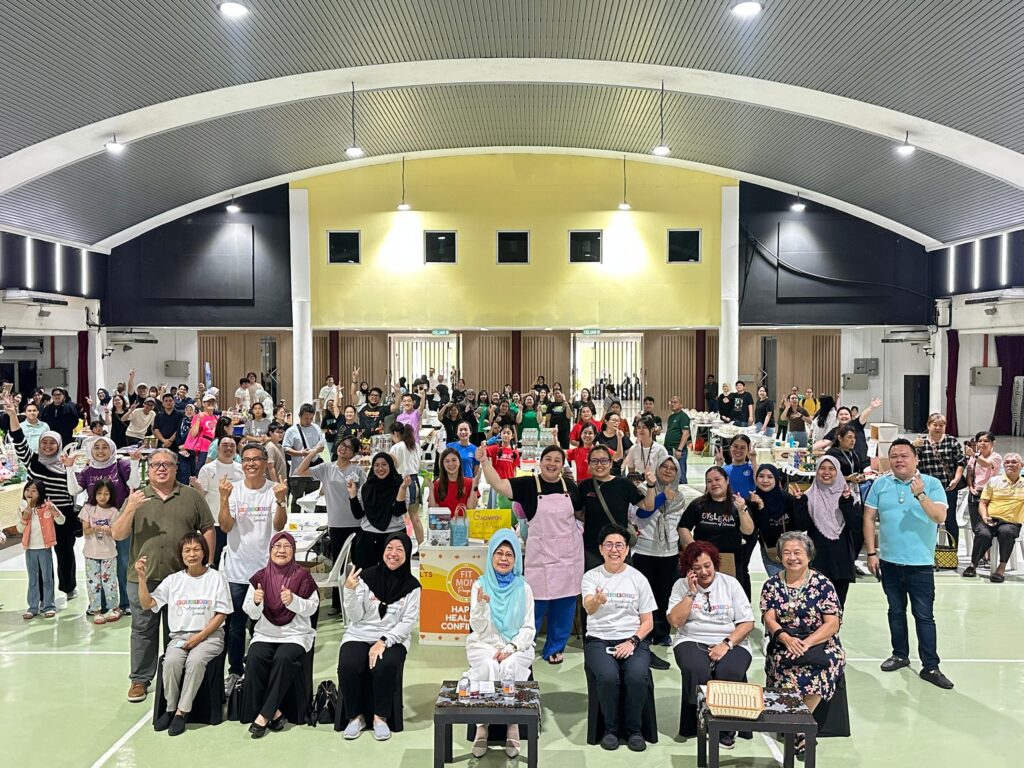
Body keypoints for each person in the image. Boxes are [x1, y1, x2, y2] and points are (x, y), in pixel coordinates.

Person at [113, 448, 216, 703]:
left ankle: (177, 677)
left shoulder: (191, 496)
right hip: (143, 579)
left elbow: (207, 528)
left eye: (167, 464)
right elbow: (118, 534)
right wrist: (130, 508)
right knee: (142, 629)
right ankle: (139, 679)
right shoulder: (136, 498)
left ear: (175, 468)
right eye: (156, 464)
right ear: (148, 469)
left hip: (182, 579)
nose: (161, 468)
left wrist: (207, 563)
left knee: (179, 630)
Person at [479, 444, 583, 664]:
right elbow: (498, 484)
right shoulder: (527, 484)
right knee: (532, 606)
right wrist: (485, 462)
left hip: (568, 558)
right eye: (548, 459)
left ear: (562, 465)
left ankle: (555, 648)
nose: (552, 464)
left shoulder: (571, 487)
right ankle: (523, 645)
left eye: (557, 460)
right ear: (540, 462)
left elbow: (581, 515)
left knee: (564, 606)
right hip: (540, 558)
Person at [864, 439, 953, 689]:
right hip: (889, 562)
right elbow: (869, 518)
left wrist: (920, 494)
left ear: (916, 459)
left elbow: (939, 516)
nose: (899, 460)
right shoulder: (880, 484)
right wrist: (871, 553)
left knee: (924, 616)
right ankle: (900, 654)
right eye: (894, 456)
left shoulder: (931, 484)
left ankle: (931, 666)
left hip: (920, 565)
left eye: (904, 455)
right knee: (895, 611)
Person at [134, 535, 232, 737]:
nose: (192, 554)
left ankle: (182, 712)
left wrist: (199, 637)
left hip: (210, 636)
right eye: (187, 550)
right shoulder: (173, 580)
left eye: (196, 549)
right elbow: (148, 603)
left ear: (204, 552)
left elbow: (222, 614)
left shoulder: (216, 578)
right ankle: (170, 708)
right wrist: (142, 578)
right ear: (181, 555)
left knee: (195, 661)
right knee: (171, 662)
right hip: (179, 636)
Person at [760, 531, 846, 758]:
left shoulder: (823, 584)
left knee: (825, 667)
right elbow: (769, 618)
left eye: (797, 552)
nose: (792, 558)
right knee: (784, 667)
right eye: (787, 553)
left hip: (818, 641)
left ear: (809, 555)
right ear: (780, 557)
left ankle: (798, 729)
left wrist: (807, 643)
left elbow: (832, 623)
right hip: (785, 641)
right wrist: (785, 638)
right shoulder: (772, 585)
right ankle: (803, 732)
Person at [336, 533, 420, 742]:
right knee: (348, 663)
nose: (393, 554)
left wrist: (383, 641)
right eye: (389, 548)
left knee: (385, 664)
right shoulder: (366, 577)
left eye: (400, 549)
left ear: (408, 554)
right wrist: (349, 591)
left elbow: (408, 622)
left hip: (393, 637)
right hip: (359, 632)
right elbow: (356, 617)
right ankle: (355, 717)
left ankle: (380, 717)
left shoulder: (412, 586)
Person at [669, 541, 754, 746]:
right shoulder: (681, 585)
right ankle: (699, 721)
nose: (704, 572)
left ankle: (726, 728)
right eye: (697, 568)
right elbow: (675, 622)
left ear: (715, 563)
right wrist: (691, 593)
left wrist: (726, 644)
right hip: (692, 638)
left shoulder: (731, 584)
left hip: (731, 639)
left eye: (707, 565)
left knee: (730, 670)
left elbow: (747, 623)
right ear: (689, 570)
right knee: (696, 668)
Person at [581, 525, 656, 752]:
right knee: (607, 676)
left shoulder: (638, 578)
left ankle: (634, 730)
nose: (614, 550)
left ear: (627, 550)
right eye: (609, 545)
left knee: (637, 675)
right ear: (601, 549)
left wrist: (632, 641)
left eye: (619, 545)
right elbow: (588, 608)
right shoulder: (591, 576)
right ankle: (610, 729)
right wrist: (597, 600)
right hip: (598, 639)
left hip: (633, 639)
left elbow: (648, 622)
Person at [218, 444, 288, 684]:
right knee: (235, 625)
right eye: (246, 459)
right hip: (237, 570)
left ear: (265, 462)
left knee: (264, 623)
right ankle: (235, 671)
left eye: (256, 459)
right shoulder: (234, 490)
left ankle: (261, 669)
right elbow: (225, 526)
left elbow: (279, 526)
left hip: (266, 570)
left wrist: (281, 501)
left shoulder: (274, 489)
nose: (251, 464)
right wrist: (223, 499)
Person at [242, 532, 320, 738]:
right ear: (270, 550)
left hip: (295, 634)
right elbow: (251, 613)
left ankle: (264, 715)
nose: (281, 550)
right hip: (265, 634)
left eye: (287, 546)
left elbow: (312, 608)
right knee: (255, 657)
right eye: (277, 546)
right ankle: (275, 713)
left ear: (293, 551)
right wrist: (256, 601)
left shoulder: (303, 577)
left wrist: (294, 601)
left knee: (284, 658)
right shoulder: (260, 578)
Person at [466, 530, 535, 759]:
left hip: (516, 646)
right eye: (499, 553)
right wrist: (480, 606)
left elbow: (528, 628)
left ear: (516, 559)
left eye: (509, 554)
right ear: (491, 556)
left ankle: (512, 724)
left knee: (509, 666)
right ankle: (482, 726)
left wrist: (510, 648)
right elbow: (477, 627)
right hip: (484, 643)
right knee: (488, 665)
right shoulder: (480, 585)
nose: (503, 559)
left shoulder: (524, 588)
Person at [4, 397, 78, 603]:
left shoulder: (66, 464)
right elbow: (19, 440)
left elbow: (74, 489)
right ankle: (44, 596)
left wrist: (70, 468)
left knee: (65, 553)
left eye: (52, 443)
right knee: (40, 556)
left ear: (59, 444)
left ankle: (69, 587)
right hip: (39, 515)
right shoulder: (33, 461)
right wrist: (13, 414)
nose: (47, 446)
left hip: (62, 513)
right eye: (44, 442)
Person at [66, 436, 141, 616]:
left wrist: (135, 463)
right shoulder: (88, 470)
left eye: (105, 447)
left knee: (123, 563)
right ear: (91, 450)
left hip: (120, 521)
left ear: (112, 449)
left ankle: (124, 602)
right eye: (97, 447)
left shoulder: (121, 465)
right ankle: (100, 604)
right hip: (97, 526)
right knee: (97, 567)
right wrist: (69, 467)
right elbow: (73, 490)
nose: (100, 450)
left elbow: (134, 485)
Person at [296, 434, 365, 614]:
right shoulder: (326, 468)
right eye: (342, 444)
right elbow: (300, 471)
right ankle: (337, 603)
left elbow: (365, 494)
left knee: (358, 563)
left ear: (354, 453)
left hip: (357, 522)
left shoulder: (358, 471)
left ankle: (359, 601)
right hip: (336, 524)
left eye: (348, 447)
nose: (343, 448)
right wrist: (314, 452)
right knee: (338, 564)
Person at [634, 457, 699, 647]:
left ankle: (662, 632)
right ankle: (645, 632)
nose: (668, 470)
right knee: (645, 595)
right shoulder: (644, 489)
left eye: (672, 468)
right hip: (644, 551)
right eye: (664, 466)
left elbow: (680, 525)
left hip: (668, 552)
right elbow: (642, 513)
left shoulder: (679, 496)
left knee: (665, 595)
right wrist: (662, 496)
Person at [789, 456, 860, 607]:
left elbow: (855, 525)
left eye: (831, 469)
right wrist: (800, 503)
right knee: (815, 608)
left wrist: (846, 503)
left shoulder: (848, 496)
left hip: (842, 560)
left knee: (837, 607)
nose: (826, 472)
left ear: (838, 472)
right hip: (818, 559)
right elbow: (802, 525)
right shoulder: (809, 496)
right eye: (822, 468)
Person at [678, 467, 755, 597]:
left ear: (727, 480)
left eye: (717, 479)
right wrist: (694, 547)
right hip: (703, 561)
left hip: (730, 560)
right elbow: (683, 527)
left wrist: (742, 510)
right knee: (703, 598)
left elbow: (748, 531)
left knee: (730, 598)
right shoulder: (698, 504)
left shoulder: (737, 504)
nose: (714, 483)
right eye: (709, 481)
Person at [579, 445, 656, 568]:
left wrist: (651, 485)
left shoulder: (624, 484)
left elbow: (648, 506)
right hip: (593, 549)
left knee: (622, 579)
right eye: (594, 461)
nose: (599, 465)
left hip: (619, 547)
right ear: (589, 464)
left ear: (610, 463)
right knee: (594, 579)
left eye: (604, 460)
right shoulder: (584, 486)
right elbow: (578, 513)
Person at [964, 452, 1024, 582]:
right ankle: (973, 565)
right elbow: (982, 503)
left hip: (1011, 522)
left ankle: (1001, 569)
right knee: (983, 534)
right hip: (990, 518)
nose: (1010, 464)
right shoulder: (994, 481)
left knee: (1007, 532)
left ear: (1022, 465)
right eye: (1007, 462)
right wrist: (985, 517)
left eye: (1014, 462)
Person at [914, 413, 966, 548]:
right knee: (930, 519)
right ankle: (930, 550)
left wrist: (956, 479)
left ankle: (953, 552)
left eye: (941, 425)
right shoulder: (921, 442)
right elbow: (913, 462)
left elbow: (961, 462)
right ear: (928, 425)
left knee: (950, 519)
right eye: (935, 425)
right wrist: (913, 447)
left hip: (948, 486)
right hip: (928, 488)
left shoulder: (952, 441)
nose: (938, 428)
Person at [351, 453, 411, 568]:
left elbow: (398, 511)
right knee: (366, 575)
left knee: (396, 575)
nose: (380, 468)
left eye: (384, 464)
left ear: (391, 466)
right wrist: (352, 494)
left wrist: (403, 488)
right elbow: (358, 514)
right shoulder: (366, 487)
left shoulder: (401, 485)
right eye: (376, 465)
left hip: (394, 536)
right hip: (368, 537)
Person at [17, 480, 63, 619]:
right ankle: (32, 607)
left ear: (40, 493)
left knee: (47, 578)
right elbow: (19, 529)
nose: (29, 493)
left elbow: (62, 521)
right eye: (27, 490)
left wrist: (55, 511)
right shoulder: (22, 507)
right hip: (30, 549)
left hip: (44, 548)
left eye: (34, 490)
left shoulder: (47, 506)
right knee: (33, 579)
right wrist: (25, 517)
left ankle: (49, 606)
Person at [78, 479, 122, 624]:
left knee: (110, 582)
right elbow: (85, 531)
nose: (102, 497)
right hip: (91, 554)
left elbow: (117, 533)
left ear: (111, 495)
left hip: (109, 553)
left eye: (106, 494)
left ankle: (114, 608)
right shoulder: (88, 509)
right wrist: (94, 529)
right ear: (94, 494)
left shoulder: (114, 511)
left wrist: (109, 530)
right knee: (93, 583)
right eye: (99, 493)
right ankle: (96, 610)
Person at [195, 437, 243, 567]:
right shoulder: (207, 469)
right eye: (225, 445)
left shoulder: (241, 469)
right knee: (211, 561)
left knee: (234, 561)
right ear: (218, 448)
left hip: (236, 522)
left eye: (232, 445)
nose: (229, 448)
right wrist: (197, 487)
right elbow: (201, 497)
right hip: (214, 522)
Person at [746, 464, 794, 577]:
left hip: (792, 550)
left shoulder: (787, 498)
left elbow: (800, 526)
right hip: (771, 552)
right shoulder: (753, 502)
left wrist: (801, 502)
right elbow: (765, 532)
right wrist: (761, 507)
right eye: (761, 476)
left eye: (770, 477)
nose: (765, 480)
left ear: (776, 479)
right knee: (778, 584)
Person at [283, 404, 323, 517]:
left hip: (313, 470)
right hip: (297, 472)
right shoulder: (291, 431)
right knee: (297, 500)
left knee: (312, 501)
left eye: (311, 418)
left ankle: (311, 521)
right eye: (306, 418)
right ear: (300, 416)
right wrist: (301, 453)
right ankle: (294, 522)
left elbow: (322, 445)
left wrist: (314, 451)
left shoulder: (316, 428)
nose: (308, 421)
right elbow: (286, 448)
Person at [389, 422, 424, 544]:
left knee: (401, 518)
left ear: (395, 433)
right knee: (415, 517)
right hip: (415, 482)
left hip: (402, 483)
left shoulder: (396, 448)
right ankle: (422, 546)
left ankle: (402, 546)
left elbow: (391, 467)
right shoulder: (415, 445)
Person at [964, 431, 1002, 536]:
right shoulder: (975, 457)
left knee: (988, 526)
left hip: (990, 494)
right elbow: (969, 472)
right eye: (980, 441)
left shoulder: (996, 457)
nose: (982, 443)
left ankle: (989, 547)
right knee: (976, 527)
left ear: (993, 443)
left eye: (986, 441)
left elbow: (986, 464)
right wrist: (970, 487)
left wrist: (973, 454)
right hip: (976, 493)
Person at [432, 447, 477, 517]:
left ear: (459, 462)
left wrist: (475, 484)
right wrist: (431, 490)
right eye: (447, 461)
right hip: (444, 523)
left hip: (463, 523)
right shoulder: (437, 484)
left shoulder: (470, 483)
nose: (451, 464)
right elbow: (433, 510)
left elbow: (471, 507)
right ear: (442, 464)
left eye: (454, 460)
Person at [623, 416, 668, 481]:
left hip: (655, 483)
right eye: (639, 427)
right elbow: (631, 471)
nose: (641, 430)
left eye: (644, 427)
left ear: (652, 429)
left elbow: (665, 471)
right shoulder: (633, 449)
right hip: (639, 483)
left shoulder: (660, 449)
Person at [484, 426, 520, 508]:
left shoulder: (515, 452)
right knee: (495, 509)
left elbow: (514, 470)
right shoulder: (495, 449)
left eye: (508, 433)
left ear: (512, 436)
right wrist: (487, 443)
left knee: (506, 509)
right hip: (496, 484)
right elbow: (481, 452)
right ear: (500, 434)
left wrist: (514, 483)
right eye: (504, 433)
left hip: (508, 485)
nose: (506, 435)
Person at [664, 394, 691, 483]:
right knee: (671, 474)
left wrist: (679, 449)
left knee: (680, 476)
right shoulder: (671, 417)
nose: (672, 404)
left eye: (675, 402)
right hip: (669, 450)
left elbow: (686, 433)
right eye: (671, 402)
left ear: (681, 404)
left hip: (678, 450)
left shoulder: (683, 416)